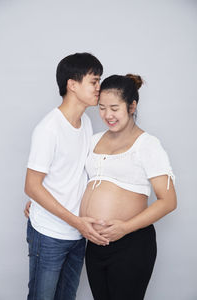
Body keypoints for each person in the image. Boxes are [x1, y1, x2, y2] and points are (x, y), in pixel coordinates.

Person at [79, 74, 177, 300]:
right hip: (94, 244)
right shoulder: (93, 140)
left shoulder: (148, 145)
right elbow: (73, 182)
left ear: (132, 106)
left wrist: (123, 228)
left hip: (131, 245)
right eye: (102, 108)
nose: (107, 115)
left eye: (114, 108)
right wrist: (40, 204)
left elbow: (169, 201)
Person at [24, 52, 109, 300]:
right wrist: (75, 221)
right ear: (72, 84)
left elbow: (75, 174)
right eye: (94, 81)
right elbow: (32, 185)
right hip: (50, 233)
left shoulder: (86, 123)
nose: (99, 88)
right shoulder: (49, 129)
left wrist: (80, 224)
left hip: (77, 233)